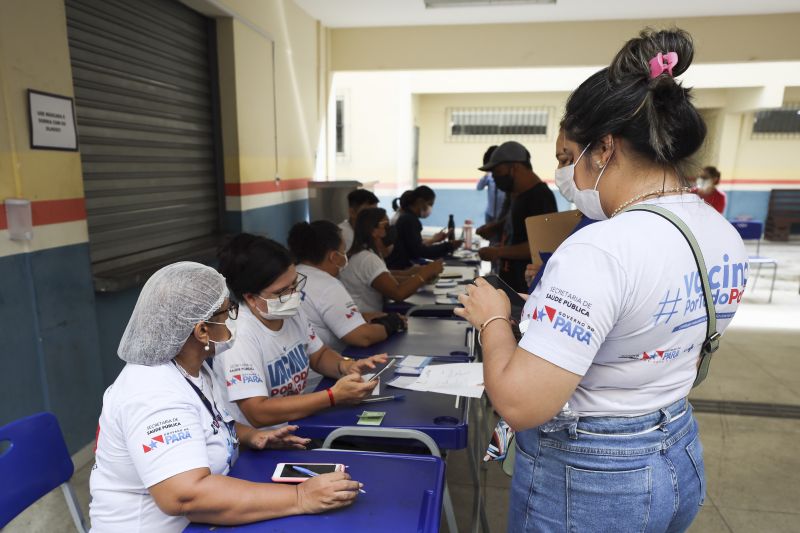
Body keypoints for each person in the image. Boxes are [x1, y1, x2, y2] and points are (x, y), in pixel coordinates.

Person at [456, 29, 746, 531]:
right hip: (675, 449)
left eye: (570, 156)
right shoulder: (718, 232)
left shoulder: (601, 247)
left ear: (605, 147)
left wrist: (494, 320)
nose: (564, 174)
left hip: (592, 475)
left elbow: (522, 402)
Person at [90, 262, 361, 532]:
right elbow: (186, 495)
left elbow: (206, 422)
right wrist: (301, 498)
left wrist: (249, 435)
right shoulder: (153, 394)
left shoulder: (190, 368)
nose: (234, 317)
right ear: (202, 331)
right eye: (227, 311)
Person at [214, 234, 387, 429]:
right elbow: (258, 412)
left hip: (298, 425)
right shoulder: (239, 337)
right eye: (281, 292)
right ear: (251, 298)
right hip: (262, 443)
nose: (293, 295)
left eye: (295, 284)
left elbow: (319, 355)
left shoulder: (290, 312)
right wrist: (333, 396)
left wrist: (345, 366)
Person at [288, 220, 406, 352]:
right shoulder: (327, 286)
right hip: (324, 368)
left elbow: (322, 316)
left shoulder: (291, 276)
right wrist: (393, 324)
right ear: (333, 256)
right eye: (343, 251)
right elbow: (362, 337)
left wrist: (363, 317)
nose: (346, 257)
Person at [475, 141, 557, 292]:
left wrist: (498, 252)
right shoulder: (518, 194)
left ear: (515, 168)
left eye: (498, 172)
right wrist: (496, 227)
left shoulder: (540, 198)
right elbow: (517, 224)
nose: (495, 178)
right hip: (510, 282)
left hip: (525, 289)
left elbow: (540, 247)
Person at [340, 207, 443, 313]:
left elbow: (386, 279)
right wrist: (425, 273)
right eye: (386, 226)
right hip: (365, 320)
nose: (390, 230)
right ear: (373, 231)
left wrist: (419, 277)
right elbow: (398, 293)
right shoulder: (367, 259)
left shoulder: (365, 254)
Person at [386, 188, 463, 269]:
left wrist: (437, 241)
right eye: (430, 204)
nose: (430, 208)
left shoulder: (406, 217)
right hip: (401, 267)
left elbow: (414, 246)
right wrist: (449, 246)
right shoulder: (409, 220)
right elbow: (419, 251)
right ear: (420, 202)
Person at [476, 145, 505, 226]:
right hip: (490, 214)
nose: (494, 176)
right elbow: (479, 187)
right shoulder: (488, 176)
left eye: (495, 171)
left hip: (502, 216)